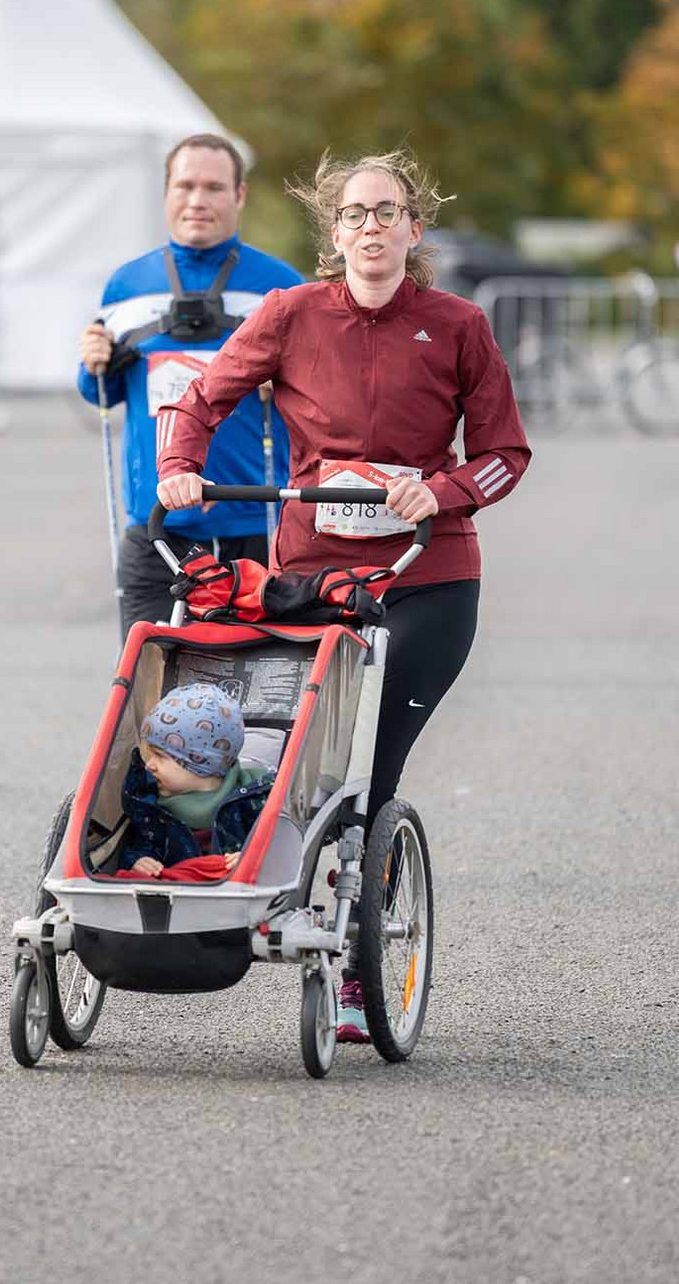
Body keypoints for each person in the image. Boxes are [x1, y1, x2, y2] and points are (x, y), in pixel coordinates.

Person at [155, 146, 530, 1041]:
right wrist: (179, 467)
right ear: (335, 231)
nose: (371, 226)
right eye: (356, 213)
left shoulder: (460, 324)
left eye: (387, 211)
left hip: (425, 579)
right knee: (288, 759)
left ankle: (362, 965)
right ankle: (239, 891)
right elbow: (201, 401)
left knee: (369, 773)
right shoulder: (290, 315)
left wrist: (440, 492)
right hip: (313, 577)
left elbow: (505, 454)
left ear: (414, 227)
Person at [78, 134, 302, 637]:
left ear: (239, 195)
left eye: (214, 187)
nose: (197, 200)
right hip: (159, 525)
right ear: (166, 193)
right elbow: (100, 393)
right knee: (149, 692)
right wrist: (92, 361)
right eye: (185, 185)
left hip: (258, 523)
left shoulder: (282, 285)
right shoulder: (127, 285)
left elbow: (319, 400)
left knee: (259, 691)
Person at [117, 683, 272, 877]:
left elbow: (281, 850)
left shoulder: (253, 802)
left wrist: (255, 857)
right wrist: (137, 860)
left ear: (200, 764)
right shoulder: (149, 803)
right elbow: (142, 843)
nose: (149, 765)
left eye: (160, 756)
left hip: (233, 895)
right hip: (174, 898)